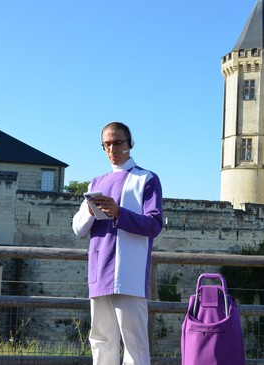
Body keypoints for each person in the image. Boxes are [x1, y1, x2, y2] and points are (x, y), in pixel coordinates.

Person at [72, 122, 163, 365]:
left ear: (130, 143)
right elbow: (78, 228)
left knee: (134, 342)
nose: (113, 148)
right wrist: (91, 211)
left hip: (128, 273)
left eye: (118, 142)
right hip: (99, 271)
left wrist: (118, 213)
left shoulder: (147, 179)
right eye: (107, 144)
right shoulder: (95, 183)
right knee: (101, 341)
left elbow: (154, 225)